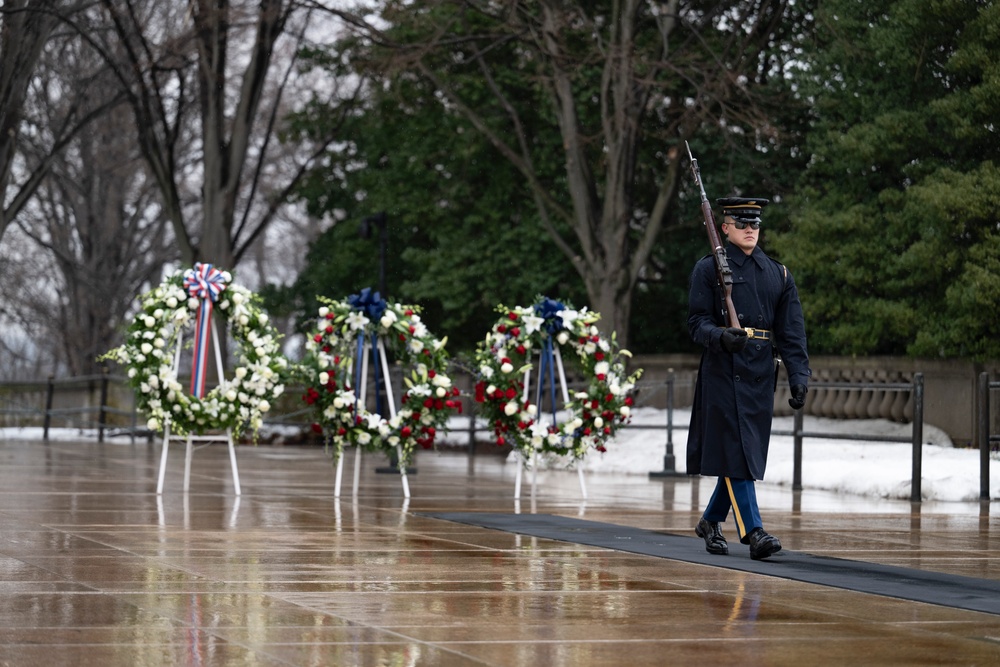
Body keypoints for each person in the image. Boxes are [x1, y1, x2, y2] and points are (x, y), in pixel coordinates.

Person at [686, 197, 810, 560]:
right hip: (722, 372)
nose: (750, 229)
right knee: (738, 450)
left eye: (754, 223)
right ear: (724, 228)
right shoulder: (708, 270)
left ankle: (711, 520)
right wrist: (720, 336)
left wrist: (799, 373)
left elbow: (792, 333)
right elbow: (696, 323)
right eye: (741, 223)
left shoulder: (778, 273)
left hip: (758, 373)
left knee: (743, 453)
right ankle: (753, 531)